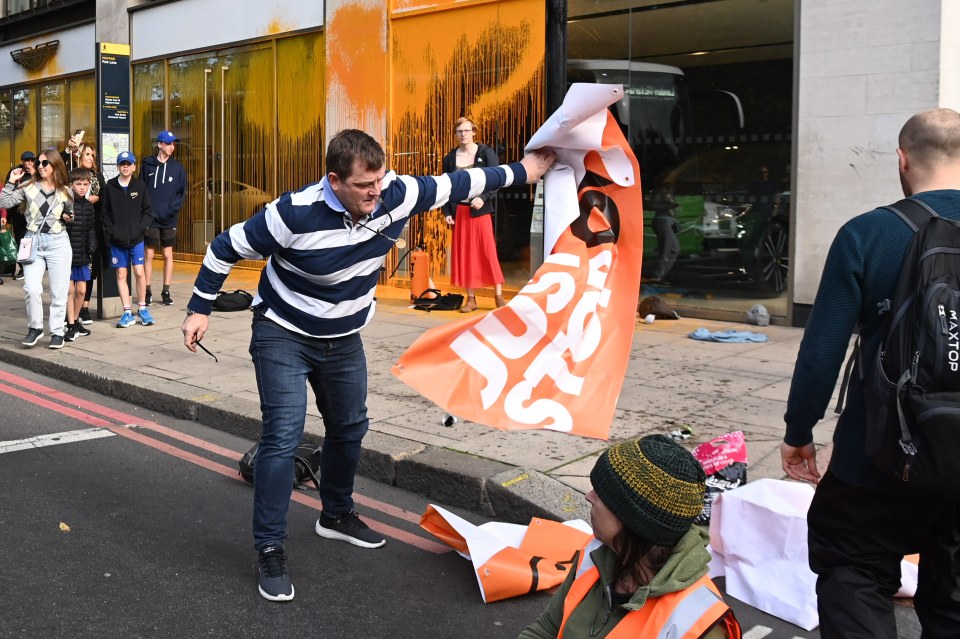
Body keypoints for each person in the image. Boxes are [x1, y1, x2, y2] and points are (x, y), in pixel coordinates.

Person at [181, 128, 554, 602]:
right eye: (365, 186)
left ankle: (335, 514)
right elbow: (221, 248)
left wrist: (528, 170)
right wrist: (200, 308)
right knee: (283, 436)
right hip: (283, 333)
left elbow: (464, 182)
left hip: (343, 337)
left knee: (350, 426)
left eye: (380, 181)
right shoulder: (291, 213)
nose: (376, 193)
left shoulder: (397, 194)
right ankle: (270, 547)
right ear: (334, 180)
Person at [780, 107, 960, 638]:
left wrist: (799, 433)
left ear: (902, 161)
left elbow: (820, 355)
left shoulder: (867, 233)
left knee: (854, 571)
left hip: (877, 454)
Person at [519, 435, 741, 639]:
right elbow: (546, 630)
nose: (589, 497)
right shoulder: (595, 554)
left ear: (635, 521)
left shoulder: (698, 624)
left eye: (602, 493)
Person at [0, 150, 75, 349]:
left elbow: (70, 215)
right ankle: (35, 327)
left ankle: (58, 331)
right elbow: (4, 202)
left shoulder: (66, 191)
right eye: (39, 163)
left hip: (58, 242)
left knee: (59, 292)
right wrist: (11, 182)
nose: (40, 166)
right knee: (31, 288)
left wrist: (69, 217)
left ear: (55, 166)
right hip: (33, 241)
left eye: (44, 163)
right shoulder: (28, 186)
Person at [441, 117, 506, 312]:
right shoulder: (450, 158)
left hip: (480, 210)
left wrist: (484, 198)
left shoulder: (486, 153)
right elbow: (446, 186)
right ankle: (471, 299)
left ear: (474, 132)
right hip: (460, 211)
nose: (463, 134)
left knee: (487, 252)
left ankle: (498, 294)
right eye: (460, 131)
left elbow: (497, 180)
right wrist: (447, 211)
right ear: (456, 134)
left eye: (467, 131)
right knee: (465, 255)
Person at [101, 151, 154, 328]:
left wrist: (141, 227)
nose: (125, 166)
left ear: (134, 167)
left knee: (139, 271)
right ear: (118, 166)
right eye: (122, 164)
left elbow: (148, 211)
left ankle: (143, 308)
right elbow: (105, 213)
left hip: (137, 238)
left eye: (128, 164)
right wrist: (112, 230)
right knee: (121, 274)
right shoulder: (110, 186)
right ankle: (126, 312)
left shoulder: (140, 186)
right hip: (117, 239)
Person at [140, 130, 185, 306]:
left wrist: (171, 210)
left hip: (169, 218)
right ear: (159, 144)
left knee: (167, 254)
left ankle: (166, 291)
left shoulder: (178, 168)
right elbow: (142, 189)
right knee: (149, 254)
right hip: (151, 217)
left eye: (173, 144)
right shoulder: (147, 165)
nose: (172, 147)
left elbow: (181, 193)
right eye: (168, 144)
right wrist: (145, 212)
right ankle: (147, 290)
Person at [74, 143, 108, 325]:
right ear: (80, 156)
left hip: (94, 227)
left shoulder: (98, 177)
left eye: (92, 155)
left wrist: (98, 199)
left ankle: (85, 307)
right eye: (87, 154)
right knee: (76, 268)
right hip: (77, 228)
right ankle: (73, 309)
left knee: (91, 269)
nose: (90, 158)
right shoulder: (74, 174)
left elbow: (105, 199)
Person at [64, 168, 97, 342]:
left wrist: (93, 242)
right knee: (69, 290)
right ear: (71, 185)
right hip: (67, 253)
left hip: (83, 253)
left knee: (82, 290)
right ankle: (70, 324)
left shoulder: (89, 206)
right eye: (78, 184)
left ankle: (76, 319)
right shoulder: (66, 203)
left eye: (85, 184)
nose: (82, 188)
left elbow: (91, 227)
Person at [1, 150, 38, 281]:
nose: (28, 163)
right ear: (22, 162)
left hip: (31, 214)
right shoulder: (17, 173)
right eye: (26, 161)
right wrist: (7, 215)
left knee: (30, 240)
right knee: (20, 240)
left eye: (31, 161)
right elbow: (7, 190)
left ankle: (31, 266)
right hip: (17, 214)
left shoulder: (36, 173)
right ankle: (22, 268)